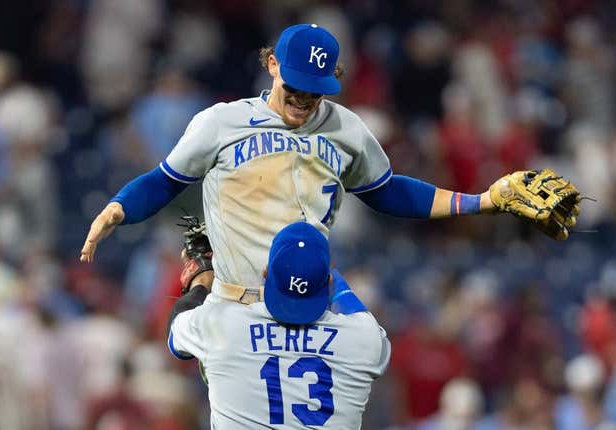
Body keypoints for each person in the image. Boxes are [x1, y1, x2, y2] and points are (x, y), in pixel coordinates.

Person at [79, 24, 559, 296]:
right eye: (295, 85)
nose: (305, 98)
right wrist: (118, 209)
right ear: (272, 66)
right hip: (238, 296)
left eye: (317, 88)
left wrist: (480, 202)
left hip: (306, 290)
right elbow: (164, 182)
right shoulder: (221, 122)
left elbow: (389, 192)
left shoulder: (347, 129)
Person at [167, 221, 390, 429]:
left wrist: (201, 281)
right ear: (328, 282)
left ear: (265, 273)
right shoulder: (365, 339)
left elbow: (176, 334)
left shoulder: (222, 324)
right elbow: (355, 309)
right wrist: (325, 270)